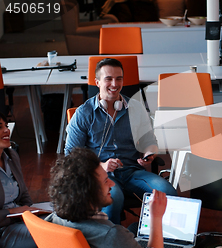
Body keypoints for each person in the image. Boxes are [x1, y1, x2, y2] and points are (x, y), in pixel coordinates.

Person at [47, 148, 222, 248]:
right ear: (86, 192)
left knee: (135, 229)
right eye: (104, 181)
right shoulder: (111, 235)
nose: (111, 183)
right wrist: (156, 219)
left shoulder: (57, 218)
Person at [65, 58, 177, 224]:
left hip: (132, 171)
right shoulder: (84, 113)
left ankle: (158, 241)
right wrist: (101, 166)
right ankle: (113, 244)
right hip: (101, 175)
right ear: (97, 82)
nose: (114, 84)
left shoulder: (136, 108)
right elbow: (71, 156)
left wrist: (149, 153)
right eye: (108, 79)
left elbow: (149, 140)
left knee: (168, 192)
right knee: (114, 198)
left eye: (119, 78)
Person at [0, 112, 43, 248]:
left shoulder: (11, 156)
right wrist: (13, 211)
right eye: (0, 127)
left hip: (20, 221)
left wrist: (31, 212)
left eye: (6, 126)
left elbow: (24, 194)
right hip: (2, 233)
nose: (6, 130)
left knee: (62, 220)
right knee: (59, 229)